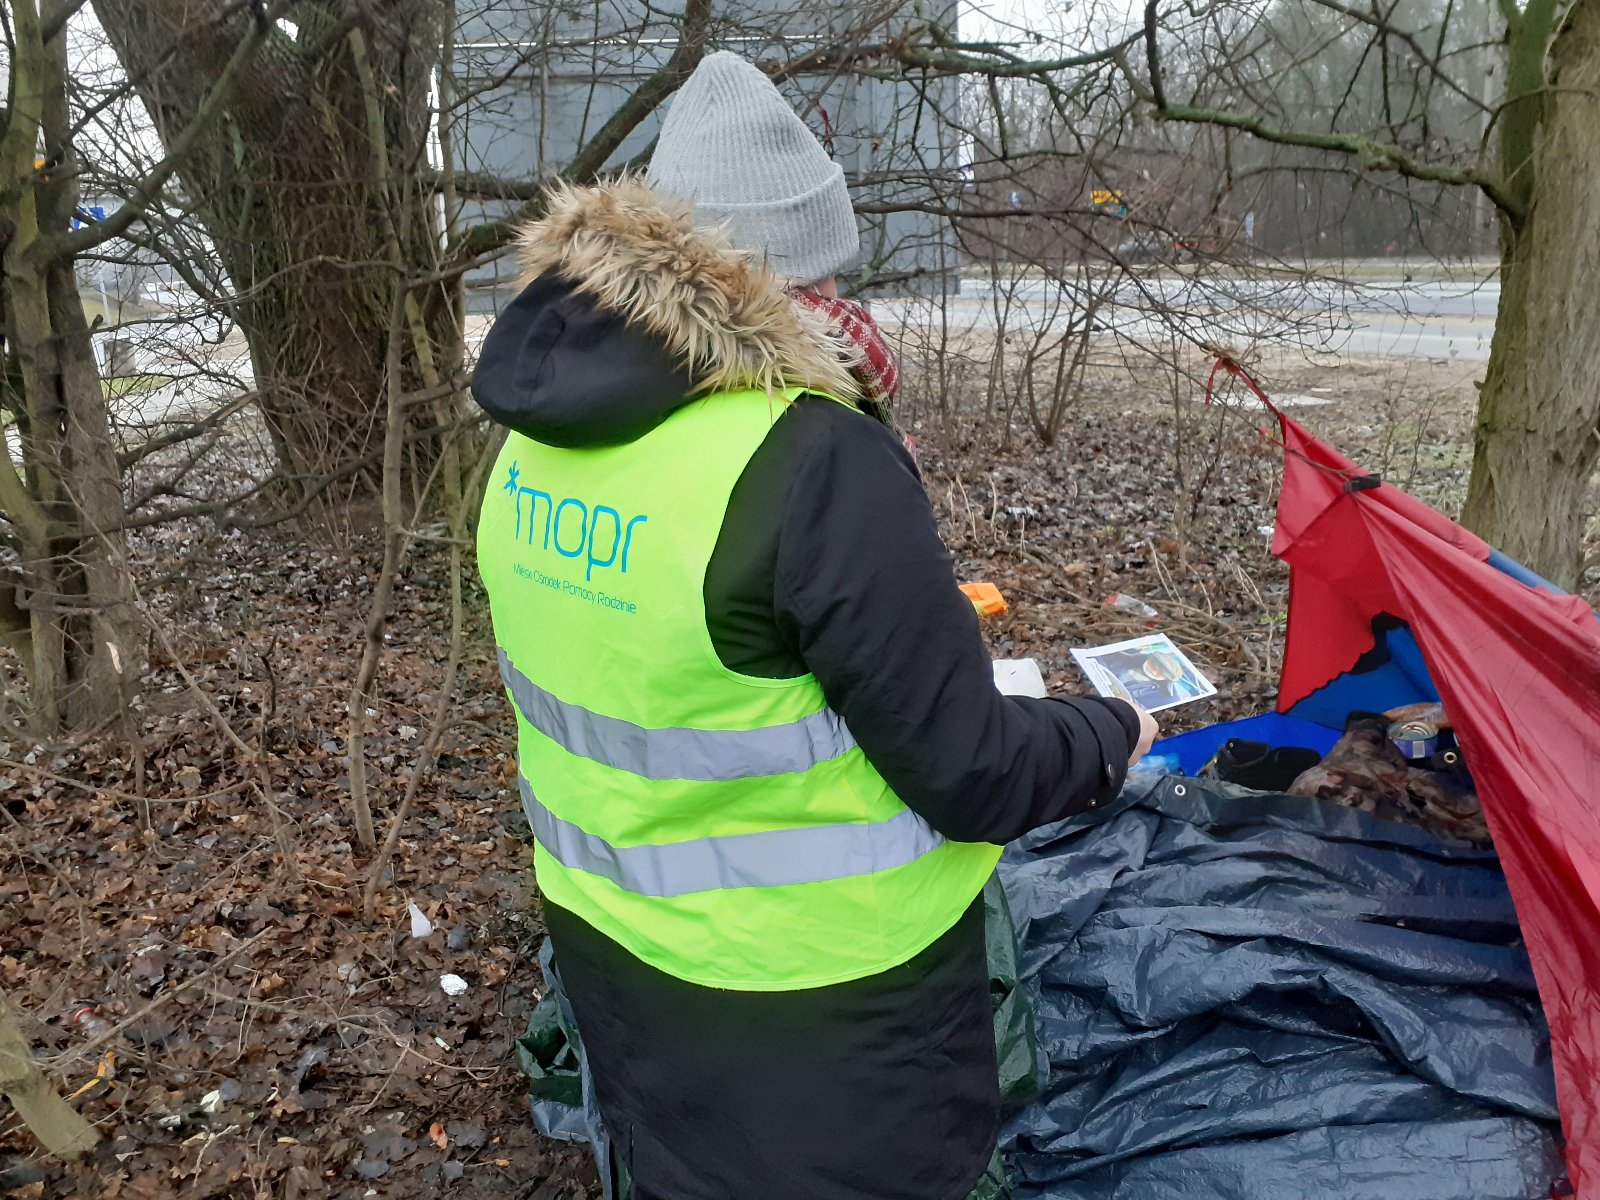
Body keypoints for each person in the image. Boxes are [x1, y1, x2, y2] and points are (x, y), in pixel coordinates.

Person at [472, 51, 1159, 1200]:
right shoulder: (807, 459)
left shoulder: (531, 443)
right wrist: (1104, 732)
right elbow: (974, 775)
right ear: (763, 279)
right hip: (827, 1013)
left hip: (614, 962)